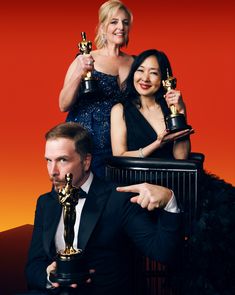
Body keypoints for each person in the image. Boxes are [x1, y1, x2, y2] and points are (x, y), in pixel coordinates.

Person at [25, 122, 182, 295]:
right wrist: (49, 277)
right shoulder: (45, 203)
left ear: (86, 162)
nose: (52, 171)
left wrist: (169, 201)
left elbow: (163, 252)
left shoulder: (118, 199)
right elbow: (33, 267)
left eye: (62, 160)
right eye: (48, 160)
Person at [59, 0, 134, 178]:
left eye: (125, 22)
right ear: (102, 27)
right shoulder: (85, 58)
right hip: (85, 142)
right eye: (114, 22)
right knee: (77, 197)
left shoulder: (136, 62)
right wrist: (80, 72)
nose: (120, 27)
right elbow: (63, 104)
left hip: (119, 146)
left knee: (114, 199)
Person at [111, 49, 193, 160]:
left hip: (171, 175)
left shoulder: (170, 107)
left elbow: (181, 157)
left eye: (153, 73)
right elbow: (119, 155)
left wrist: (181, 111)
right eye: (140, 70)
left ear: (163, 79)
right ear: (133, 73)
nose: (145, 78)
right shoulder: (119, 110)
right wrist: (157, 144)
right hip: (138, 175)